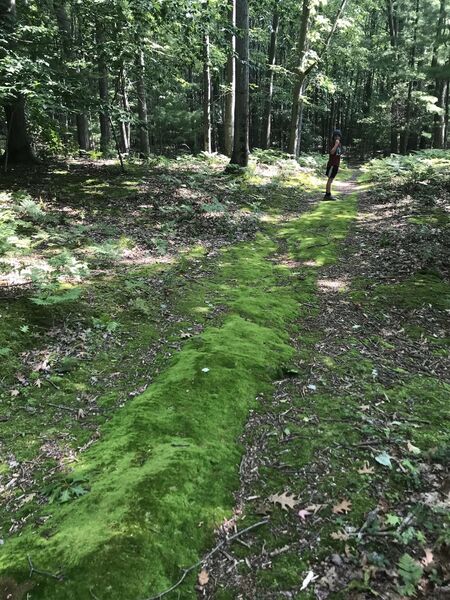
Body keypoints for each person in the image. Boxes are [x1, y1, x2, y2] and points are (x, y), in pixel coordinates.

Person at [324, 129, 342, 200]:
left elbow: (338, 155)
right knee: (330, 179)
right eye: (336, 136)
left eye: (338, 136)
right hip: (331, 164)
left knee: (331, 180)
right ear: (333, 137)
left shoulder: (339, 144)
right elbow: (331, 152)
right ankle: (327, 195)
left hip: (336, 165)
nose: (337, 137)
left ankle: (329, 194)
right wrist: (336, 144)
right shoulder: (332, 143)